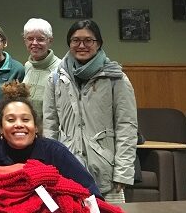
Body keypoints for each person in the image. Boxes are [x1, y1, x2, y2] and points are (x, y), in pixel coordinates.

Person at [43, 19, 137, 203]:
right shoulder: (55, 79)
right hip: (66, 171)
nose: (82, 45)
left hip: (106, 174)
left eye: (88, 40)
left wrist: (123, 172)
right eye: (75, 40)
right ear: (69, 43)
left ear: (99, 43)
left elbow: (127, 127)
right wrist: (50, 168)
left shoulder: (115, 78)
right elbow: (50, 126)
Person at [0, 81, 101, 199]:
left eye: (25, 119)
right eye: (10, 120)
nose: (19, 124)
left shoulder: (55, 152)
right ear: (0, 128)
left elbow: (91, 192)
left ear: (36, 127)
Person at [21, 18, 61, 119]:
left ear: (50, 41)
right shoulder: (27, 66)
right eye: (30, 39)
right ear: (24, 41)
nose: (34, 43)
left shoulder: (60, 68)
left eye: (40, 39)